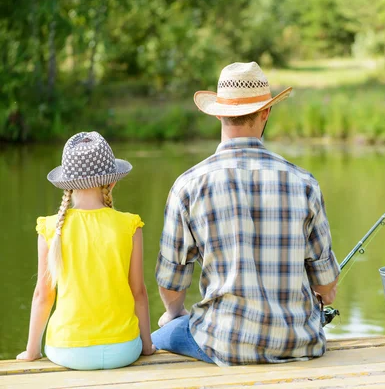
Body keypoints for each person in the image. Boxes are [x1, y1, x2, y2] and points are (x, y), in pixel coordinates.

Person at [152, 62, 340, 366]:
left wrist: (175, 313)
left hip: (222, 344)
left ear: (218, 113)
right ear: (265, 112)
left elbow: (171, 282)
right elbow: (326, 286)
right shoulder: (304, 183)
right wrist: (321, 295)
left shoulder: (188, 186)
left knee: (157, 337)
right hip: (299, 343)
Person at [17, 132, 155, 370]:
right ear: (112, 182)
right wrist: (146, 346)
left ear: (67, 186)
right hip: (122, 349)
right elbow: (139, 292)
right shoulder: (130, 225)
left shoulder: (51, 228)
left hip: (66, 350)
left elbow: (43, 296)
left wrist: (32, 351)